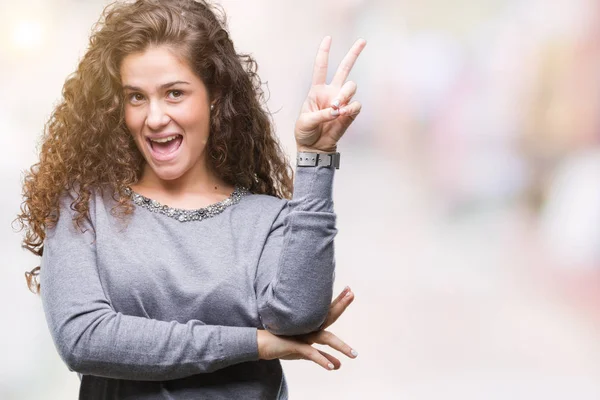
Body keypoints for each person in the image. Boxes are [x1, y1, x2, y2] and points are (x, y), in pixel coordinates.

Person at [15, 0, 366, 398]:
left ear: (214, 95)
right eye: (136, 97)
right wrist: (254, 343)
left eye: (175, 93)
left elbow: (297, 315)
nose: (154, 117)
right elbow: (84, 338)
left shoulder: (267, 220)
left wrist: (316, 159)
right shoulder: (83, 207)